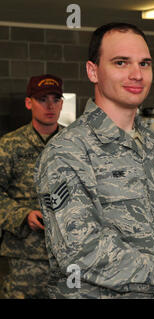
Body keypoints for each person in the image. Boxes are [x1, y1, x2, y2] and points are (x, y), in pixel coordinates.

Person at [34, 23, 154, 299]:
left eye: (144, 64)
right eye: (121, 62)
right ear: (92, 71)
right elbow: (81, 253)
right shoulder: (67, 151)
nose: (136, 74)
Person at [0, 74, 64, 298]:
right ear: (29, 103)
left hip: (68, 256)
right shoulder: (10, 145)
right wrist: (23, 214)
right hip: (24, 258)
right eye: (42, 99)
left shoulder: (75, 144)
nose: (50, 106)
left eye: (55, 99)